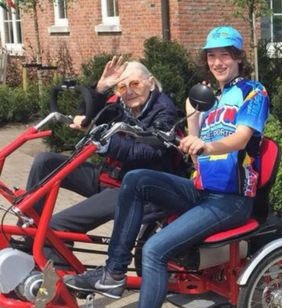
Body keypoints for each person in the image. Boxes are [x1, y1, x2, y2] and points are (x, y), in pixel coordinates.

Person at [64, 26, 269, 308]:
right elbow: (190, 143)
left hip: (232, 199)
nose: (218, 61)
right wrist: (192, 118)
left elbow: (240, 138)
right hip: (200, 190)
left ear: (239, 58)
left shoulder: (253, 92)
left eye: (225, 55)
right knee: (138, 179)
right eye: (211, 56)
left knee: (157, 250)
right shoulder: (211, 97)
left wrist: (209, 146)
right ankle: (113, 273)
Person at [24, 57, 182, 234]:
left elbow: (148, 151)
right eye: (122, 87)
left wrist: (106, 143)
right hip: (108, 177)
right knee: (45, 162)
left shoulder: (164, 112)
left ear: (151, 83)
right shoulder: (121, 104)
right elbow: (86, 116)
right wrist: (101, 87)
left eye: (135, 84)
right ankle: (26, 232)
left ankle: (49, 257)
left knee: (54, 226)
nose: (129, 91)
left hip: (134, 189)